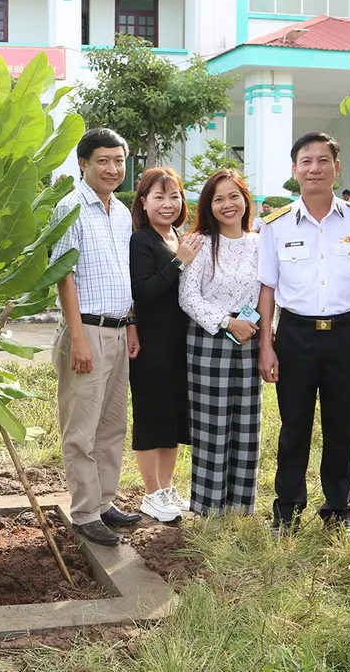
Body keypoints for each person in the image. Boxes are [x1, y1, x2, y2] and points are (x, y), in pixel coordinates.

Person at [256, 132, 350, 538]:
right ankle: (287, 512)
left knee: (341, 427)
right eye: (306, 161)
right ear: (294, 170)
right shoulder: (275, 225)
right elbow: (267, 290)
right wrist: (266, 345)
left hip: (346, 337)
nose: (314, 168)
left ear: (336, 167)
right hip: (294, 336)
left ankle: (338, 511)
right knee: (293, 426)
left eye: (322, 160)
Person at [49, 127, 141, 547]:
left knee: (111, 425)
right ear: (83, 164)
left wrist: (131, 324)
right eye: (102, 160)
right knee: (81, 429)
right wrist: (79, 338)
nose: (112, 168)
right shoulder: (70, 207)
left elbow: (124, 275)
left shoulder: (120, 212)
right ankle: (85, 511)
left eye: (118, 160)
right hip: (85, 330)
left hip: (119, 330)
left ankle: (105, 502)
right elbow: (63, 274)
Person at [178, 169, 262, 516]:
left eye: (233, 196)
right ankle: (208, 506)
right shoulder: (201, 243)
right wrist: (228, 322)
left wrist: (253, 328)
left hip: (250, 341)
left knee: (246, 424)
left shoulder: (260, 243)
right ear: (208, 205)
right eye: (218, 198)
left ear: (245, 199)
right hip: (209, 341)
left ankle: (241, 507)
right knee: (212, 426)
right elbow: (187, 297)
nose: (227, 205)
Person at [128, 167, 203, 523]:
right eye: (159, 197)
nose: (168, 204)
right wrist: (179, 262)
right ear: (144, 202)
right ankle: (151, 492)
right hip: (151, 344)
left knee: (173, 419)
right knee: (151, 416)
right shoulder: (141, 240)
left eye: (174, 196)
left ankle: (167, 488)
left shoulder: (179, 236)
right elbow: (142, 291)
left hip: (180, 344)